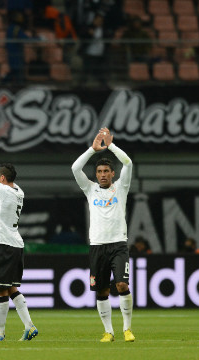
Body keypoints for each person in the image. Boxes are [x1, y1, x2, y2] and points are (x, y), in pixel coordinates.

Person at [71, 128, 134, 343]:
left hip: (118, 244)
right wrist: (92, 149)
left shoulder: (121, 188)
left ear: (112, 174)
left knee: (122, 286)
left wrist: (111, 145)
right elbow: (75, 168)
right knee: (102, 291)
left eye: (106, 171)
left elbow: (128, 163)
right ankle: (109, 331)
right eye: (99, 172)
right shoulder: (90, 189)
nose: (103, 174)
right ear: (96, 174)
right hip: (97, 245)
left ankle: (127, 329)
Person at [0, 139, 38, 342]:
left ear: (1, 179)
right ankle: (29, 326)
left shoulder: (2, 190)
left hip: (2, 243)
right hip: (15, 244)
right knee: (11, 288)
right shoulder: (18, 191)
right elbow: (0, 176)